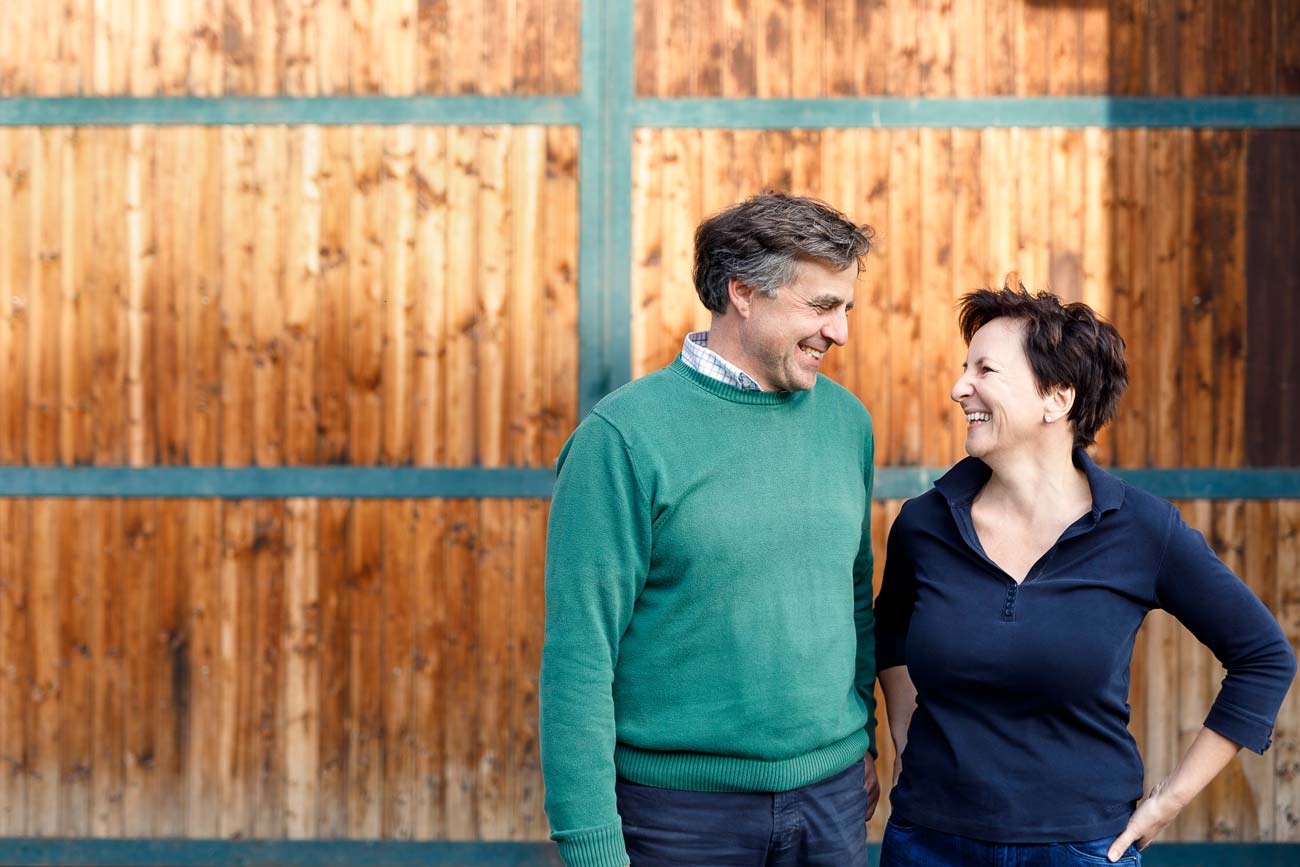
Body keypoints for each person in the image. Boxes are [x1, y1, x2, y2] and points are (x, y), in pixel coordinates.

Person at [874, 283, 1296, 866]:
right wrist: (905, 737)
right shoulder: (924, 524)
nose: (958, 387)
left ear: (1057, 398)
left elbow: (1264, 657)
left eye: (985, 370)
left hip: (1081, 848)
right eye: (963, 367)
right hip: (928, 842)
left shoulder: (1144, 530)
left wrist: (1168, 802)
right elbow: (890, 634)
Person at [540, 193, 881, 867]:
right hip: (678, 818)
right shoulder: (623, 439)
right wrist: (592, 846)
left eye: (846, 308)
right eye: (821, 306)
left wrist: (862, 740)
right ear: (744, 293)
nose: (840, 332)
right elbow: (580, 658)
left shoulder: (847, 422)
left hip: (832, 803)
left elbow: (853, 599)